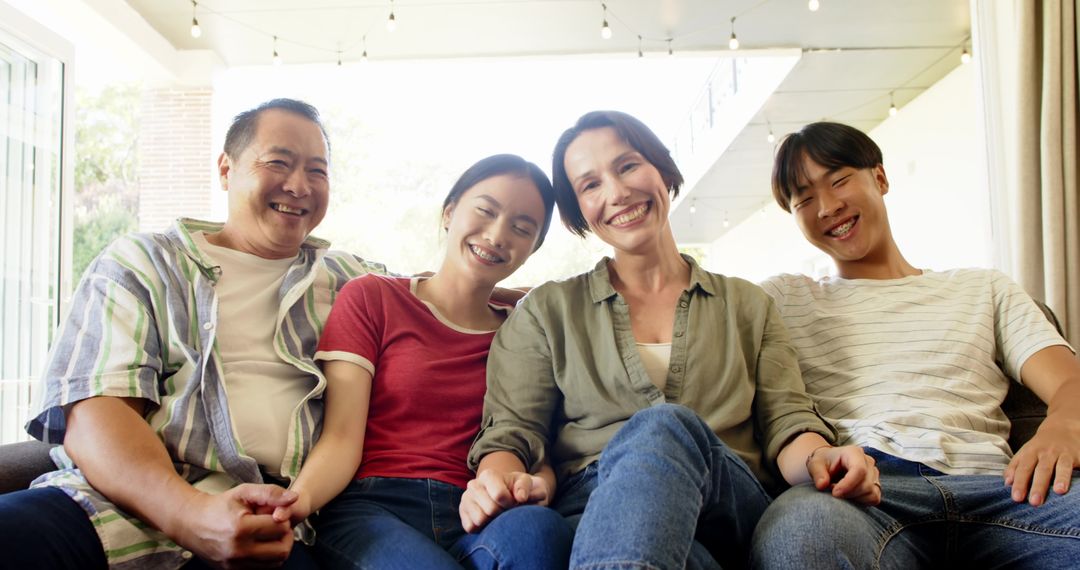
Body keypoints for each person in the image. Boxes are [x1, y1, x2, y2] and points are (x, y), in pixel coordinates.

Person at [463, 110, 881, 570]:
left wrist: (823, 458)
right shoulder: (547, 311)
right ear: (578, 212)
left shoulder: (747, 304)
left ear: (661, 169)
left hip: (730, 505)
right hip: (601, 513)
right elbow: (512, 434)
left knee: (662, 426)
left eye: (627, 166)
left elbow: (788, 424)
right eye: (590, 185)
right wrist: (496, 482)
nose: (617, 193)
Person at [0, 98, 387, 569]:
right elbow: (97, 410)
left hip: (276, 523)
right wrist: (192, 516)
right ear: (227, 169)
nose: (299, 185)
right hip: (119, 508)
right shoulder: (143, 263)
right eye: (278, 162)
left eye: (317, 171)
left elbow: (451, 293)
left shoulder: (353, 281)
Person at [753, 121, 1080, 568]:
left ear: (880, 178)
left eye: (840, 180)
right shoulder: (782, 299)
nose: (827, 207)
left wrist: (1060, 429)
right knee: (799, 536)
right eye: (804, 199)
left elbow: (1069, 383)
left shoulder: (983, 288)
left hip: (1004, 491)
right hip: (862, 495)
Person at [271, 154, 571, 569]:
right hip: (374, 508)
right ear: (450, 213)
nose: (498, 234)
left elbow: (540, 452)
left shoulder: (527, 331)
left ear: (532, 248)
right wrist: (294, 504)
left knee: (541, 531)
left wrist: (536, 486)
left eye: (522, 228)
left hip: (480, 513)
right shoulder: (373, 297)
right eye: (485, 210)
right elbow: (341, 436)